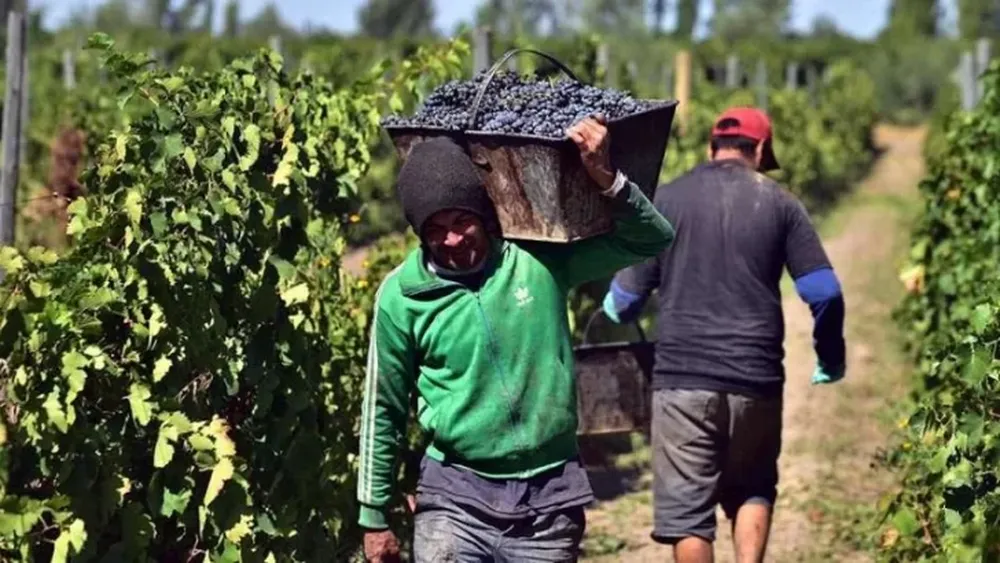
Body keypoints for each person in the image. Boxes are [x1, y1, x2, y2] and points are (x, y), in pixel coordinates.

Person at [358, 115, 676, 563]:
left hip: (548, 501)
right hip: (454, 499)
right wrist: (373, 515)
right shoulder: (401, 297)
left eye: (461, 220)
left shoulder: (538, 260)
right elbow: (382, 406)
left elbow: (652, 238)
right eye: (434, 229)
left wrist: (606, 177)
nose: (451, 239)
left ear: (483, 214)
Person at [602, 107, 846, 563]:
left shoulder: (668, 201)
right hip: (756, 380)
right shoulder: (780, 203)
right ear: (759, 151)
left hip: (682, 382)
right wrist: (830, 358)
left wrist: (616, 307)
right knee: (753, 486)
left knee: (687, 516)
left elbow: (622, 302)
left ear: (710, 148)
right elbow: (824, 292)